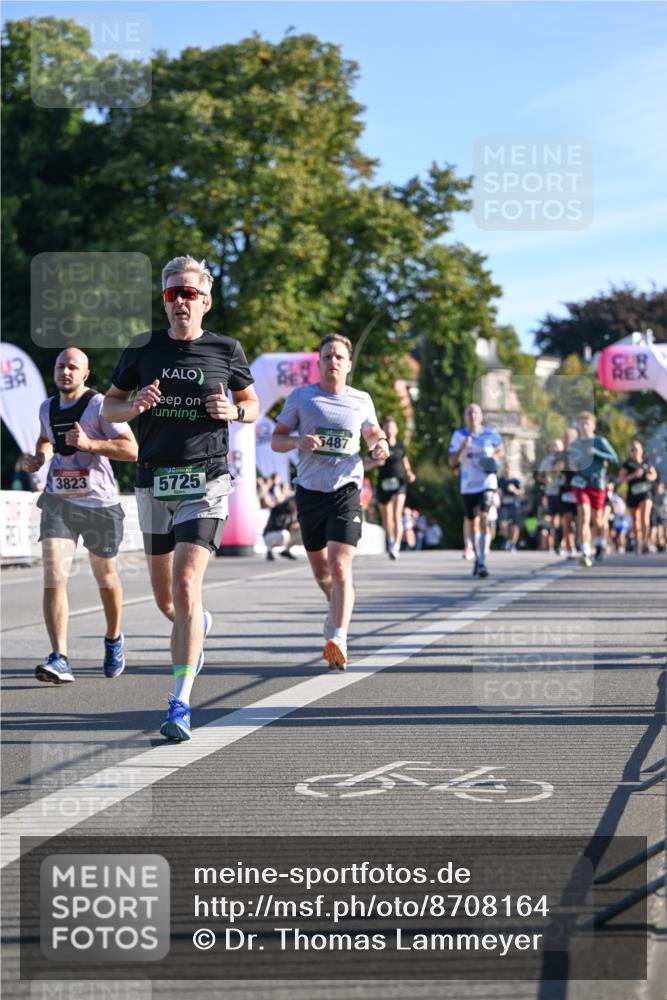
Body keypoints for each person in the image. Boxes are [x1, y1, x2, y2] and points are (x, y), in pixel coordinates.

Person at [102, 255, 259, 740]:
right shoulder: (142, 348)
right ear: (165, 300)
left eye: (189, 294)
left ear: (205, 301)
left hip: (206, 481)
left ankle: (180, 704)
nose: (180, 302)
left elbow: (253, 405)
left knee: (187, 584)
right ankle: (198, 625)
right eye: (172, 294)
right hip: (153, 481)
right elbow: (110, 406)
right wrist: (135, 405)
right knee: (168, 601)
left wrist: (233, 410)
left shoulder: (226, 348)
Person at [270, 334, 390, 670]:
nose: (333, 361)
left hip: (346, 491)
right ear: (319, 363)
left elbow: (374, 434)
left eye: (339, 356)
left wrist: (380, 445)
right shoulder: (302, 397)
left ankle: (338, 636)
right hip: (309, 492)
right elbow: (277, 440)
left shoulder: (361, 400)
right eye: (327, 356)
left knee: (340, 566)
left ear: (348, 364)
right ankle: (335, 605)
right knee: (322, 570)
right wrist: (297, 441)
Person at [22, 348, 137, 683]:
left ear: (85, 374)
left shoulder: (100, 406)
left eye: (73, 367)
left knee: (106, 579)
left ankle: (114, 638)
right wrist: (39, 458)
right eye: (61, 366)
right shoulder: (47, 407)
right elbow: (45, 439)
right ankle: (60, 657)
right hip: (59, 502)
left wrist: (90, 444)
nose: (66, 371)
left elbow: (131, 449)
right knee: (54, 576)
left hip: (100, 504)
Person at [448, 403, 504, 578]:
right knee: (472, 523)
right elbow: (451, 461)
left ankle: (482, 560)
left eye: (476, 412)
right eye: (469, 412)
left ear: (481, 416)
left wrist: (495, 457)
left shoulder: (491, 433)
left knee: (484, 517)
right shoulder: (459, 435)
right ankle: (477, 556)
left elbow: (501, 450)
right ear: (466, 417)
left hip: (487, 482)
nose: (473, 415)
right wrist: (463, 446)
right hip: (468, 484)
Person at [568, 411, 618, 567]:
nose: (583, 426)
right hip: (581, 483)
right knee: (583, 515)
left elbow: (615, 459)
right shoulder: (575, 444)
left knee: (597, 519)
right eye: (580, 423)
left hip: (597, 484)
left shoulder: (599, 441)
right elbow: (571, 462)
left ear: (593, 426)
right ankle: (585, 550)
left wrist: (596, 453)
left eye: (586, 423)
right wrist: (573, 465)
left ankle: (600, 544)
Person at [365, 417, 415, 560]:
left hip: (399, 483)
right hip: (383, 483)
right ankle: (391, 540)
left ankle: (396, 546)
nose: (389, 430)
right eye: (386, 427)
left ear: (396, 430)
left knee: (396, 514)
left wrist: (410, 473)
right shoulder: (377, 446)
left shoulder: (400, 446)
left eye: (392, 427)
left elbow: (405, 461)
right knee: (387, 518)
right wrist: (376, 463)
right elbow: (366, 463)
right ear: (383, 430)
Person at [618, 439, 657, 554]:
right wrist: (634, 475)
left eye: (637, 449)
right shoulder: (627, 464)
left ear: (641, 450)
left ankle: (645, 542)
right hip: (633, 493)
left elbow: (654, 473)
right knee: (636, 520)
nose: (635, 451)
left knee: (645, 516)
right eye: (632, 449)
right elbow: (621, 478)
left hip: (646, 492)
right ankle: (637, 540)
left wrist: (651, 477)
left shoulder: (646, 462)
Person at [264, 494, 301, 560]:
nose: (297, 505)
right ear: (291, 501)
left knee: (302, 533)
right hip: (270, 534)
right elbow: (277, 525)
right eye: (296, 502)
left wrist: (298, 524)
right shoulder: (279, 508)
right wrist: (291, 526)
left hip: (286, 533)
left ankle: (286, 551)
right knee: (284, 534)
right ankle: (269, 550)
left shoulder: (297, 510)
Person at [497, 467, 523, 551]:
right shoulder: (500, 481)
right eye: (506, 470)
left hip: (514, 506)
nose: (508, 471)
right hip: (504, 505)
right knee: (503, 524)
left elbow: (522, 492)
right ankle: (506, 539)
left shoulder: (516, 481)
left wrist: (514, 490)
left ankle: (513, 544)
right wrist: (498, 492)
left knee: (514, 526)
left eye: (509, 470)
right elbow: (495, 490)